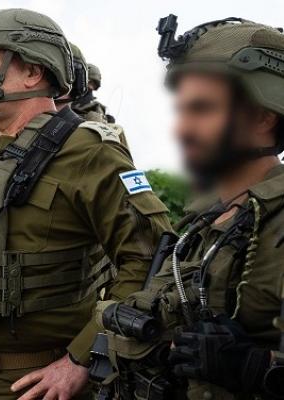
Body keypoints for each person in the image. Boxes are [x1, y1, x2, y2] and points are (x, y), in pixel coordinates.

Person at [0, 9, 171, 400]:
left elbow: (152, 259)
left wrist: (83, 358)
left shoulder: (88, 150)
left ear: (32, 71)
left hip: (33, 385)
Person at [90, 15, 284, 399]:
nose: (182, 129)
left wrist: (257, 368)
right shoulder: (203, 221)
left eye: (203, 109)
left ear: (264, 116)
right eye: (181, 110)